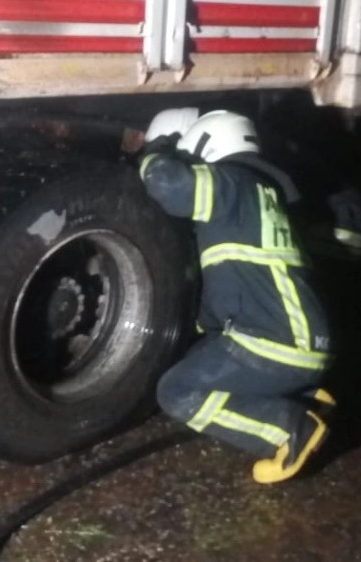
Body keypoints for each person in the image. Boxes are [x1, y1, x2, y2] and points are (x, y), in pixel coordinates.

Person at [138, 108, 335, 484]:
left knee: (177, 390)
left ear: (206, 147)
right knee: (203, 357)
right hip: (309, 342)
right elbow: (225, 292)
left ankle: (291, 429)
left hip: (275, 343)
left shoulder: (231, 185)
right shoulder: (265, 197)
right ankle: (305, 397)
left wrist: (155, 151)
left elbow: (167, 183)